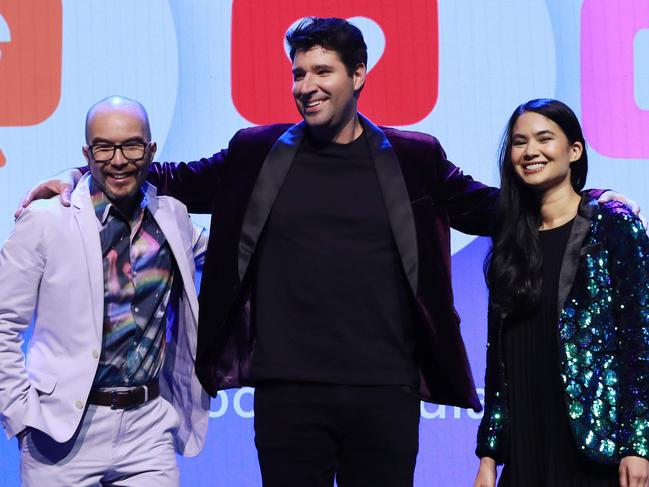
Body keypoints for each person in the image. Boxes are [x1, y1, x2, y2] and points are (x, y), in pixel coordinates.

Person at [16, 19, 629, 487]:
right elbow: (170, 176)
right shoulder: (257, 152)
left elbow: (496, 209)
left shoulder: (414, 158)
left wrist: (593, 203)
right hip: (288, 391)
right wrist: (80, 175)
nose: (305, 87)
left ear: (358, 76)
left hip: (384, 389)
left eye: (321, 72)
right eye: (298, 74)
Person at [0, 96, 210, 486]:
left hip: (148, 428)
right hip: (61, 432)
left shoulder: (173, 218)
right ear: (87, 152)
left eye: (131, 145)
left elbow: (228, 256)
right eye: (104, 147)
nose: (118, 160)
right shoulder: (46, 221)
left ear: (150, 151)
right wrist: (20, 412)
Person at [473, 99, 649, 487]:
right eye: (519, 142)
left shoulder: (613, 225)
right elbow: (497, 357)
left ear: (574, 150)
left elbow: (641, 339)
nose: (530, 151)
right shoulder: (511, 239)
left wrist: (639, 443)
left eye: (544, 138)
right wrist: (489, 454)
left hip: (593, 444)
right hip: (524, 442)